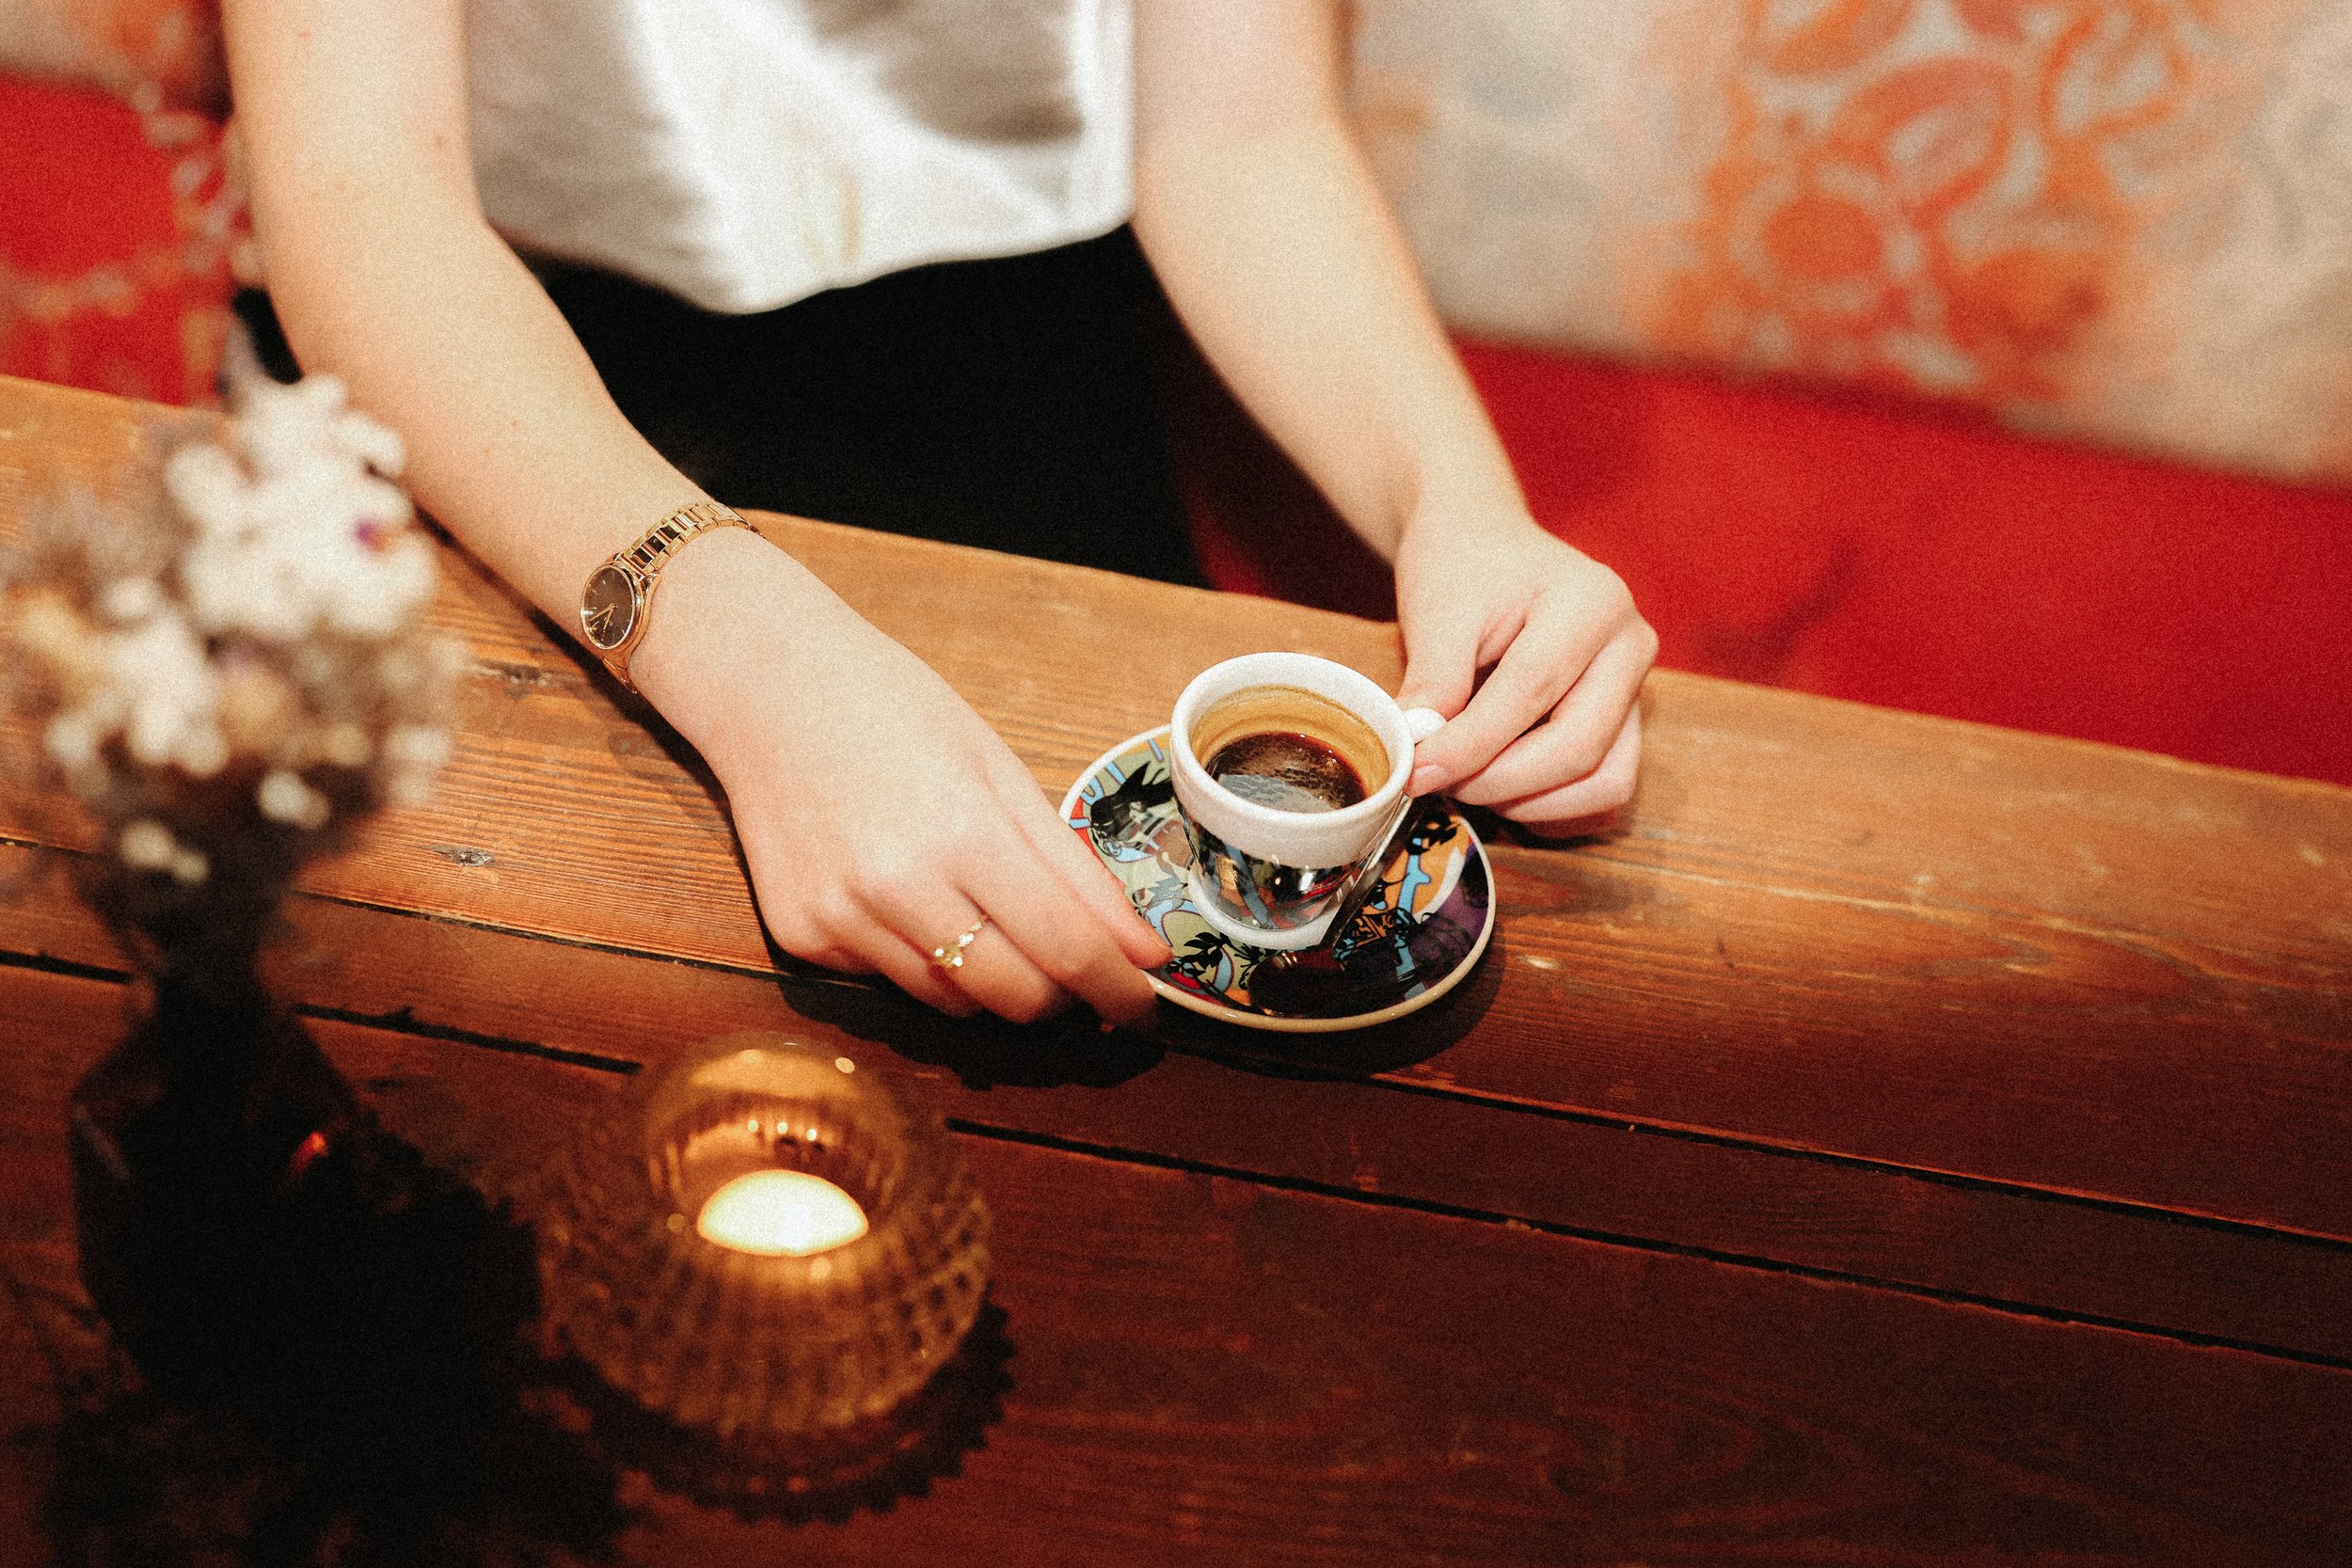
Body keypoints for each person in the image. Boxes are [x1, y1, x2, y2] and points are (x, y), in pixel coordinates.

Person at [218, 0, 1656, 1028]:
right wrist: (751, 662)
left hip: (1019, 370)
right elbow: (356, 192)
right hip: (472, 375)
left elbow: (1237, 126)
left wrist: (1457, 503)